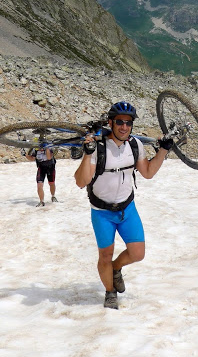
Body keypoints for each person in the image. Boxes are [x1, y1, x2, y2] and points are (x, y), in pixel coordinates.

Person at [74, 101, 173, 309]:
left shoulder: (135, 145)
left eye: (128, 123)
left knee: (138, 253)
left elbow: (147, 172)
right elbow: (81, 182)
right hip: (102, 212)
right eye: (119, 122)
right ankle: (110, 292)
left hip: (127, 209)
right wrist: (88, 153)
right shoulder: (99, 147)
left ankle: (116, 269)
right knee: (105, 255)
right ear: (111, 123)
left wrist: (163, 151)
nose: (124, 127)